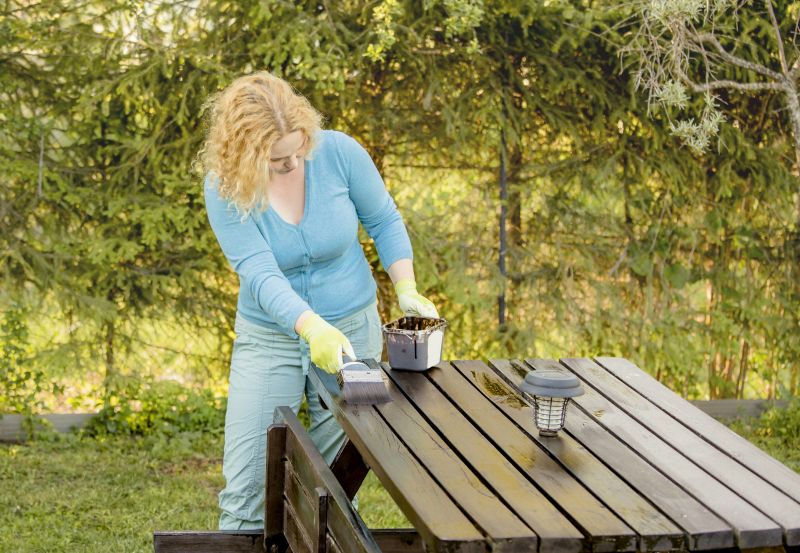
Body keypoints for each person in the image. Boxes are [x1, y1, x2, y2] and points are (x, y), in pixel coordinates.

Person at [196, 71, 439, 530]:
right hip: (271, 337)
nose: (292, 164)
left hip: (351, 328)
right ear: (245, 156)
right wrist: (310, 326)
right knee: (249, 482)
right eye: (277, 160)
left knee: (333, 480)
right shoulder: (223, 186)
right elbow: (259, 273)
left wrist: (405, 284)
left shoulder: (340, 152)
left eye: (298, 151)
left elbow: (383, 219)